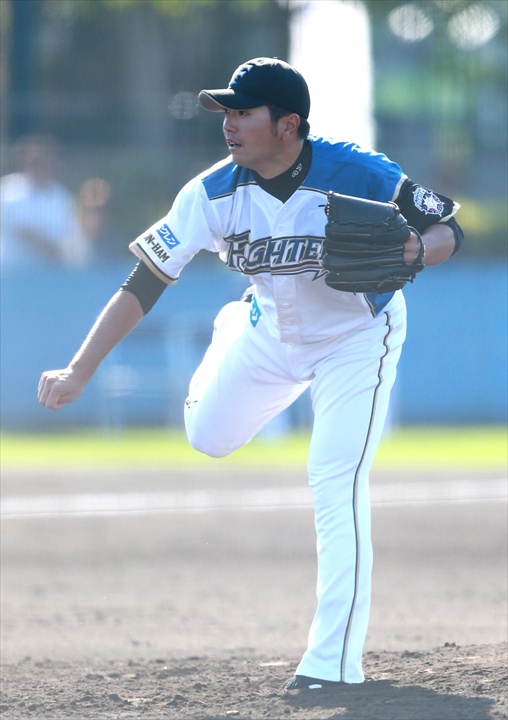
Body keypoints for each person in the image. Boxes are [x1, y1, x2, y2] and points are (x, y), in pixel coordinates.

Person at [38, 58, 463, 690]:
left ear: (288, 125)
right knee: (208, 437)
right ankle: (231, 324)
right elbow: (145, 281)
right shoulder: (210, 193)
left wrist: (418, 249)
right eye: (226, 112)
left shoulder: (360, 172)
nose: (228, 124)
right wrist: (79, 370)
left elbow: (447, 229)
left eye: (243, 112)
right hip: (268, 332)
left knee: (336, 482)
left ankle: (331, 666)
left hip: (357, 335)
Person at [1, 134, 88, 268]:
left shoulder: (62, 198)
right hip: (10, 274)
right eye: (35, 162)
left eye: (45, 161)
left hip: (48, 275)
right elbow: (19, 230)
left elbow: (72, 240)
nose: (41, 167)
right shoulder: (7, 191)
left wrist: (54, 249)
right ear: (23, 161)